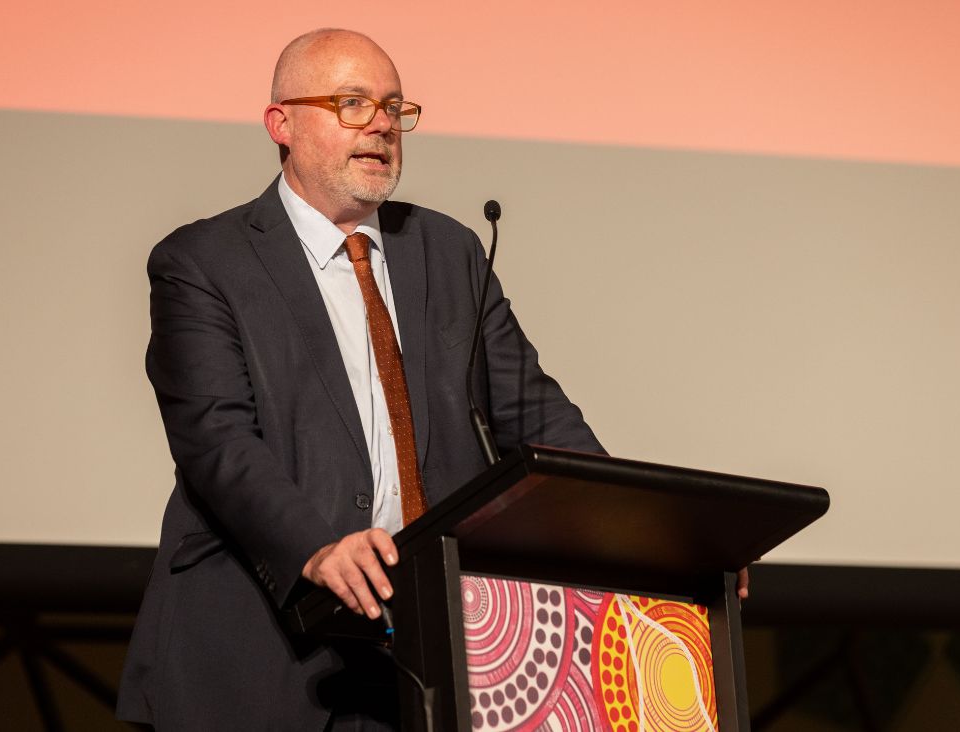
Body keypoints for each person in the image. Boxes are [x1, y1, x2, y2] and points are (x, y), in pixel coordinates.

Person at [116, 29, 605, 730]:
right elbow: (216, 440)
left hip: (435, 648)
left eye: (394, 107)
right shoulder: (204, 262)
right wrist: (314, 548)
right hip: (262, 650)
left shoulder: (449, 251)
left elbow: (536, 415)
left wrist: (640, 534)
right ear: (281, 124)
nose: (381, 124)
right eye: (351, 103)